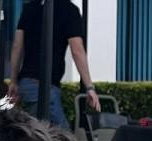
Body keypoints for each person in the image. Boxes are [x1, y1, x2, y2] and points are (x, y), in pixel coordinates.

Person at [7, 0, 100, 129]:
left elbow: (17, 46)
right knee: (61, 137)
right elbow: (77, 51)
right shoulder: (69, 10)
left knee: (38, 133)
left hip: (26, 84)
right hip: (44, 87)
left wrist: (13, 81)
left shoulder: (30, 8)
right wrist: (89, 87)